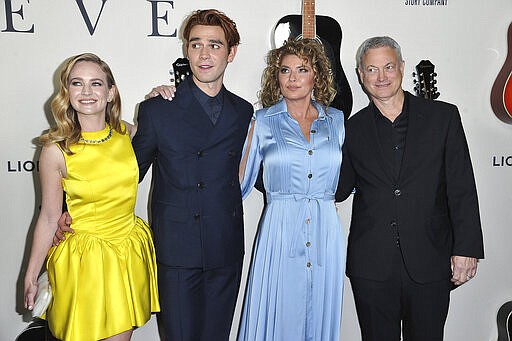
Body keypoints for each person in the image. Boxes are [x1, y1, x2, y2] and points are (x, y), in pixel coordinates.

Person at [335, 36, 484, 341]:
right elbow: (337, 189)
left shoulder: (443, 118)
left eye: (388, 66)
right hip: (371, 266)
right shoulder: (350, 128)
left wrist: (466, 249)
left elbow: (462, 187)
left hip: (430, 259)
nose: (382, 77)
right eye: (372, 69)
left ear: (402, 68)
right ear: (361, 76)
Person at [134, 9, 253, 340]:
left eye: (215, 45)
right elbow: (127, 176)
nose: (204, 55)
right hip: (177, 252)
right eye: (196, 44)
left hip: (225, 248)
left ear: (231, 53)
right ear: (186, 49)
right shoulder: (157, 110)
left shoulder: (244, 112)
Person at [23, 53, 159, 341]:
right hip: (80, 262)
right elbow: (48, 216)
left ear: (110, 93)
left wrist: (158, 98)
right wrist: (31, 275)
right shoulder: (55, 151)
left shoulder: (130, 133)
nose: (86, 92)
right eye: (77, 83)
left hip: (126, 254)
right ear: (67, 92)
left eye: (96, 83)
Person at [237, 38, 346, 341]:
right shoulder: (262, 121)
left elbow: (349, 179)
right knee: (279, 314)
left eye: (302, 69)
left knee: (319, 313)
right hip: (280, 232)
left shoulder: (336, 121)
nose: (293, 78)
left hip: (326, 231)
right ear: (277, 77)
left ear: (317, 76)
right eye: (285, 70)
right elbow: (240, 183)